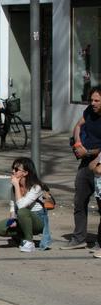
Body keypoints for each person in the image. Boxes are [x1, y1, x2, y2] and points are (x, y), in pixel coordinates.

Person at [63, 87, 101, 249]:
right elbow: (78, 125)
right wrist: (78, 144)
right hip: (86, 162)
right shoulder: (89, 111)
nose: (92, 103)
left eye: (97, 100)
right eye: (91, 100)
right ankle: (79, 238)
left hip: (99, 163)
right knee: (79, 200)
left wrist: (90, 152)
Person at [0, 158, 48, 253]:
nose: (13, 171)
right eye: (12, 168)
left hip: (38, 221)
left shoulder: (36, 187)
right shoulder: (14, 188)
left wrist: (16, 186)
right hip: (22, 218)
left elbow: (22, 206)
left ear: (25, 173)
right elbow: (12, 207)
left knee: (22, 211)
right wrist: (12, 220)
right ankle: (23, 237)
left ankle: (29, 243)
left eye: (16, 169)